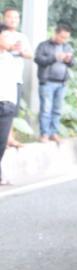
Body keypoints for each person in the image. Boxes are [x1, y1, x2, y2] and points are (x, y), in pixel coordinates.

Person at [34, 23, 75, 143]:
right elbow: (38, 59)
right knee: (46, 109)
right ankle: (44, 134)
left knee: (57, 109)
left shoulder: (67, 47)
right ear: (56, 33)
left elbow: (72, 63)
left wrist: (68, 60)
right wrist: (54, 57)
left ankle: (54, 133)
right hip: (47, 82)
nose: (64, 40)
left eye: (66, 38)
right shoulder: (44, 45)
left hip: (62, 82)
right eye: (62, 37)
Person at [3, 8, 31, 149]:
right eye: (10, 17)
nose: (13, 20)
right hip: (2, 79)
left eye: (16, 17)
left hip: (15, 79)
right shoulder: (2, 35)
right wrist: (9, 47)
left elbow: (30, 54)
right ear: (4, 18)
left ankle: (9, 138)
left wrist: (20, 52)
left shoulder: (22, 37)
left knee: (12, 111)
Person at [0, 23, 20, 185]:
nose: (9, 40)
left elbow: (15, 84)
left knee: (2, 142)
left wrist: (14, 105)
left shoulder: (10, 59)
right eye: (6, 36)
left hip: (7, 105)